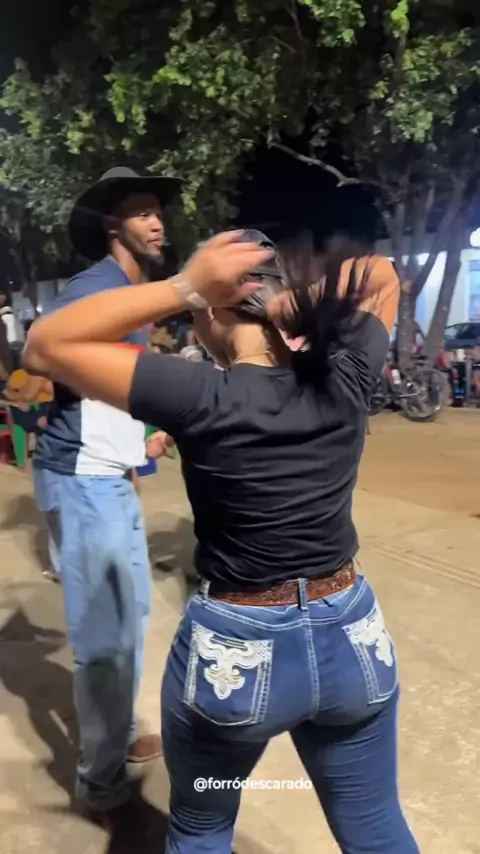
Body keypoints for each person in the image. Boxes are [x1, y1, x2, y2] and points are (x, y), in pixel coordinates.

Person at [23, 230, 419, 854]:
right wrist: (283, 304)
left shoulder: (198, 393)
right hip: (352, 641)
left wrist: (184, 287)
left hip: (240, 658)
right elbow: (382, 274)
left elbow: (46, 344)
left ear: (210, 314)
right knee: (375, 826)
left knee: (202, 829)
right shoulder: (343, 375)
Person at [28, 166, 180, 826]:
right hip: (83, 480)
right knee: (103, 642)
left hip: (111, 477)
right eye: (143, 212)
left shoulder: (129, 293)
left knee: (130, 620)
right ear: (113, 224)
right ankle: (101, 782)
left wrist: (140, 446)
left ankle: (114, 740)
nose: (157, 222)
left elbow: (110, 387)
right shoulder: (95, 289)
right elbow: (39, 357)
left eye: (158, 211)